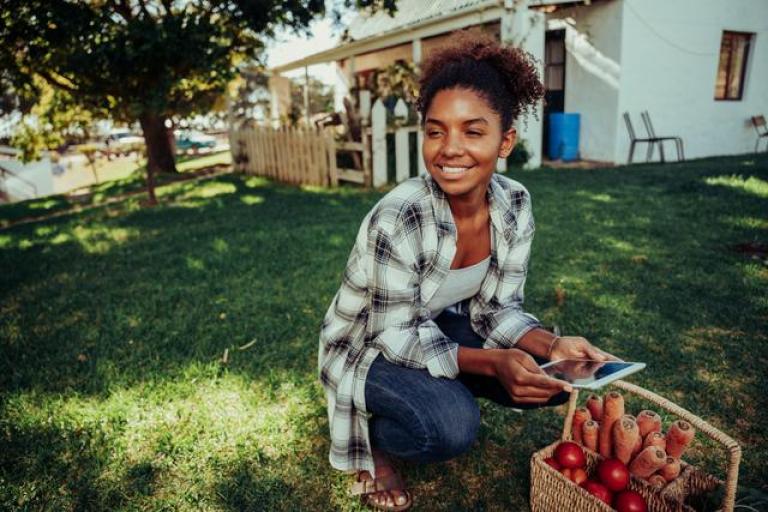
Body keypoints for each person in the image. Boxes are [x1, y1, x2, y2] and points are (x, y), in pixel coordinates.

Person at [318, 30, 615, 511]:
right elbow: (395, 331)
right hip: (367, 344)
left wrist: (552, 346)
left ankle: (437, 386)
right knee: (451, 426)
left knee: (553, 377)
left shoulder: (515, 203)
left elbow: (498, 309)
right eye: (436, 131)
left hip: (437, 326)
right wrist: (491, 363)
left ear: (505, 141)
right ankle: (374, 436)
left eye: (472, 131)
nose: (449, 149)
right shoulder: (402, 213)